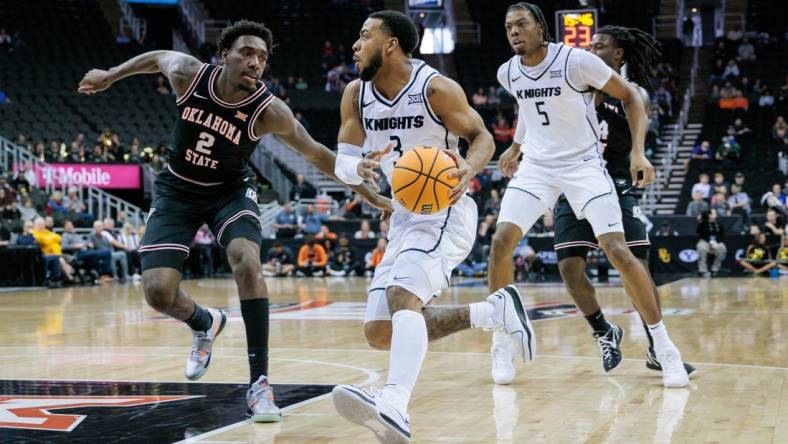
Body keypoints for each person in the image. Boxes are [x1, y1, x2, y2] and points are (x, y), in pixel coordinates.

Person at [78, 19, 390, 422]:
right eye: (246, 52)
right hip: (177, 190)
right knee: (157, 292)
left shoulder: (268, 109)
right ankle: (204, 322)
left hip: (230, 191)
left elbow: (316, 153)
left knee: (246, 257)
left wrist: (371, 193)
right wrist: (110, 76)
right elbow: (156, 57)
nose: (255, 62)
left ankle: (260, 384)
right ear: (225, 55)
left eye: (261, 57)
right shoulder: (189, 75)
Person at [329, 11, 528, 443]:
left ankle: (395, 403)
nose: (355, 45)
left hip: (444, 208)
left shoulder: (433, 87)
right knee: (380, 331)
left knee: (403, 296)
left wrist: (467, 170)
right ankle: (493, 312)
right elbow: (343, 158)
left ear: (391, 44)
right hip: (402, 215)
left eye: (365, 36)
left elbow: (483, 138)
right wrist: (357, 170)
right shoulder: (355, 94)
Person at [490, 4, 687, 390]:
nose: (514, 31)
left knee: (618, 249)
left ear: (541, 28)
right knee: (500, 242)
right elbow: (530, 107)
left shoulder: (576, 61)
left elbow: (631, 96)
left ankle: (664, 348)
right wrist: (515, 146)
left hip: (583, 166)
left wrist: (637, 151)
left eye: (522, 24)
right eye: (509, 26)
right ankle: (500, 342)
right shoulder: (507, 71)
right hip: (538, 167)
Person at [696, 209, 726, 277]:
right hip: (705, 241)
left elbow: (722, 236)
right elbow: (700, 234)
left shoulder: (719, 224)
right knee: (701, 247)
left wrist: (717, 243)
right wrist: (710, 243)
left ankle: (715, 269)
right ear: (709, 215)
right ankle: (702, 270)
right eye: (714, 213)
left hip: (716, 242)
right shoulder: (702, 224)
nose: (716, 215)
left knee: (722, 248)